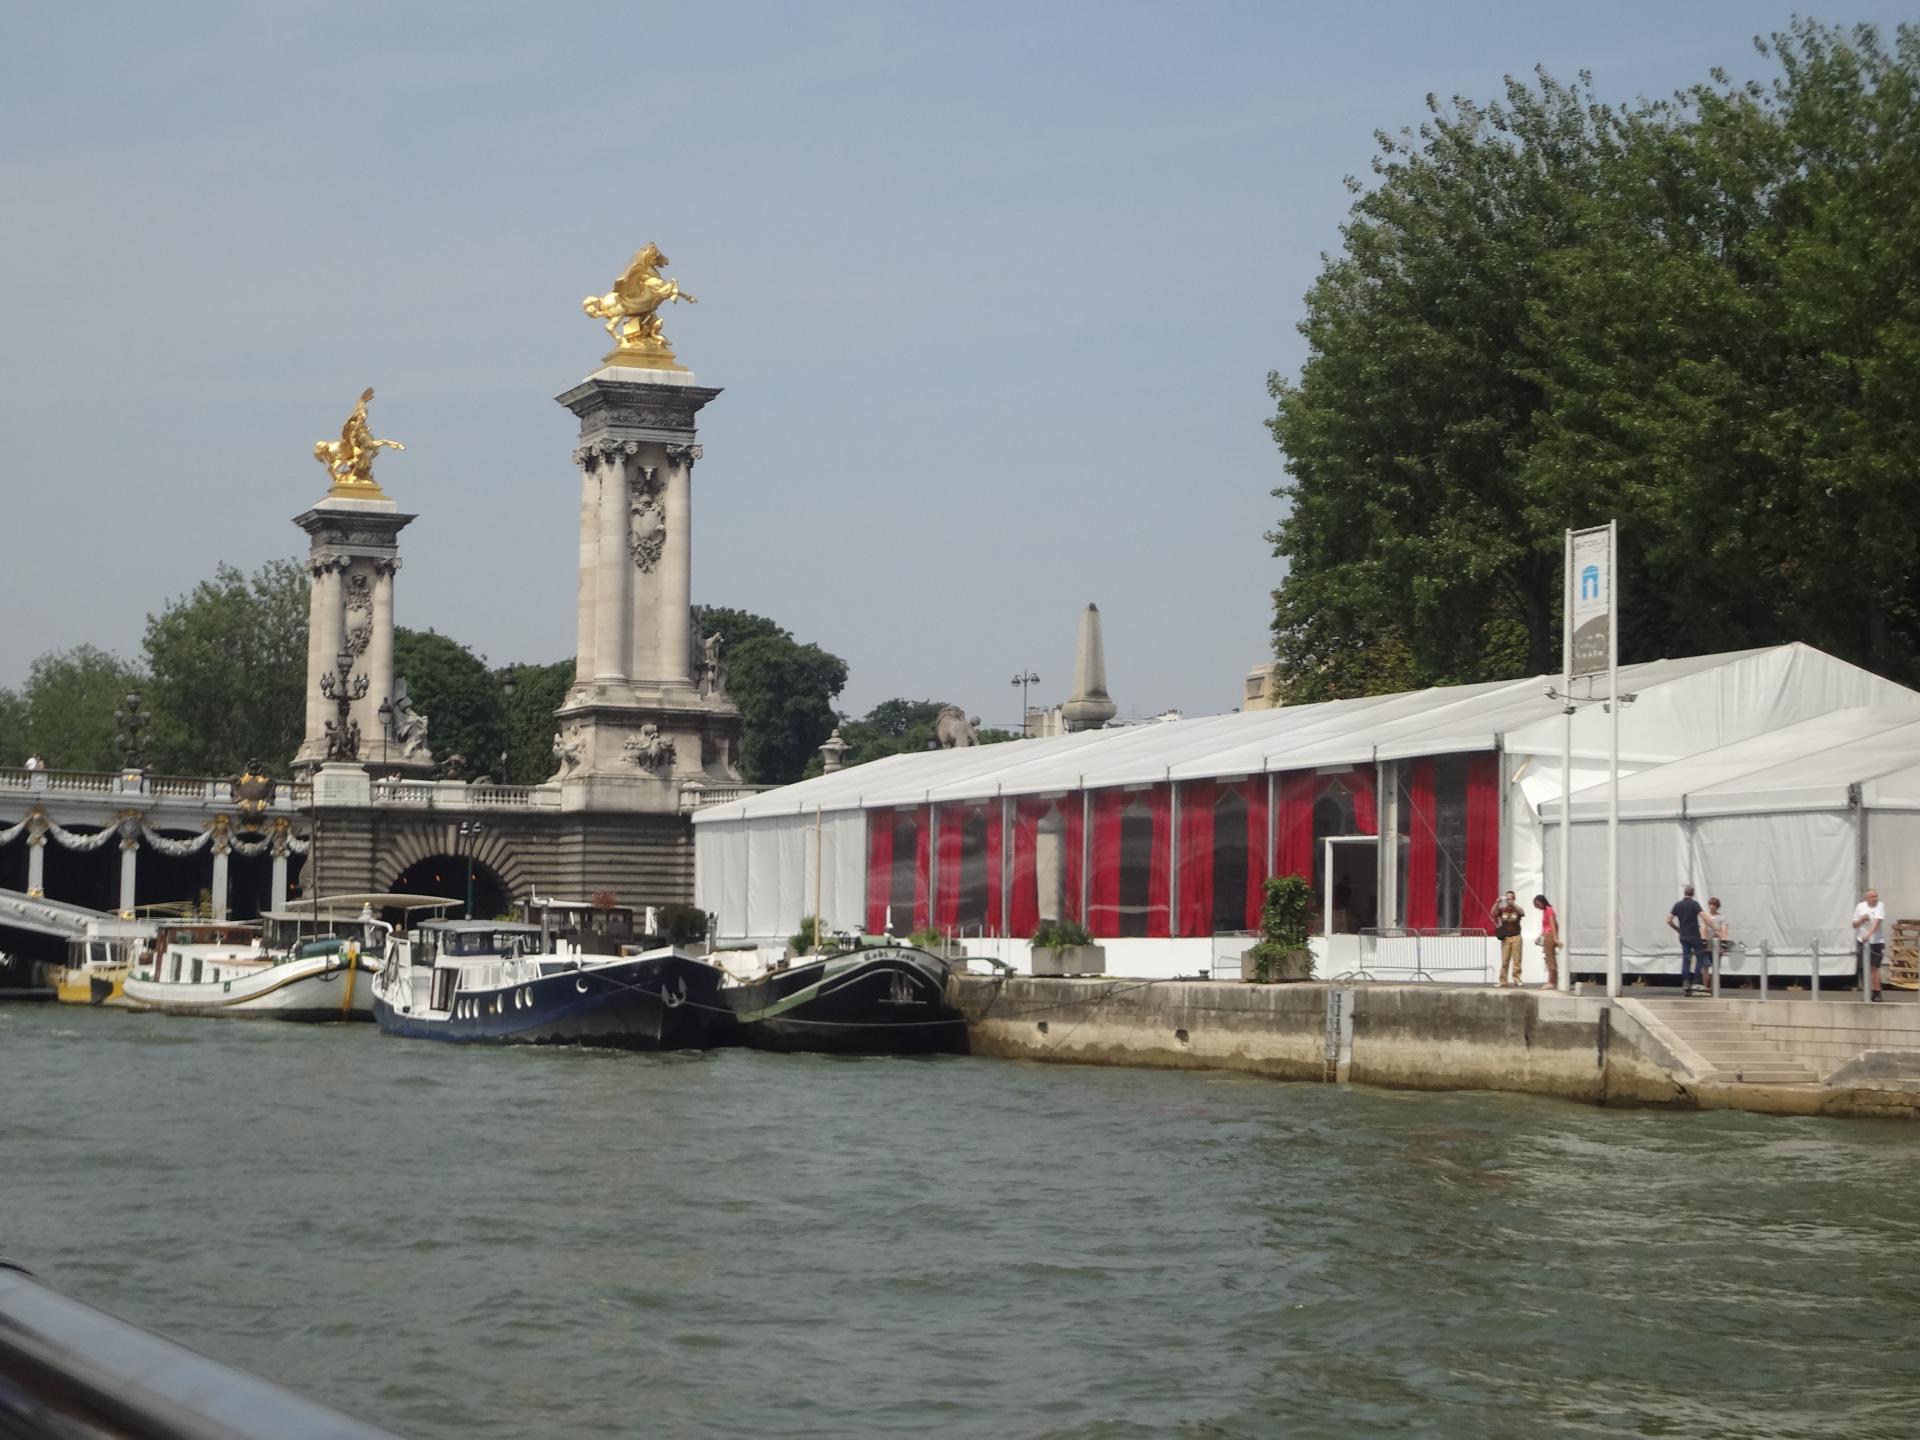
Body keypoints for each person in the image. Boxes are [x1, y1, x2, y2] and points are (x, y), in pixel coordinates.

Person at [1668, 885, 1708, 995]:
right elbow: (1704, 917)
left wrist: (1677, 929)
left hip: (1683, 935)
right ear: (1693, 893)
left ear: (1684, 893)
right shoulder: (1695, 904)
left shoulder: (1678, 905)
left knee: (1686, 958)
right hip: (1694, 935)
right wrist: (1713, 926)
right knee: (1700, 957)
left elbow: (1668, 920)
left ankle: (1685, 981)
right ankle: (1696, 981)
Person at [1854, 887, 1887, 1003]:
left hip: (1876, 941)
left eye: (1876, 896)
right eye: (1873, 896)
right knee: (1863, 967)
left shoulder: (1880, 905)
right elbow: (1854, 924)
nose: (1875, 898)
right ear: (1867, 898)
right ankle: (1867, 991)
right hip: (1862, 941)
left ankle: (1877, 992)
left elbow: (1877, 922)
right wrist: (1861, 920)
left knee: (1874, 967)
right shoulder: (1860, 907)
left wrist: (1869, 934)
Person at [1492, 891, 1526, 986]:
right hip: (1506, 938)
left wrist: (1514, 904)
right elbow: (1493, 912)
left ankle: (1517, 979)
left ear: (1514, 899)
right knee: (1505, 960)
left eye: (1510, 898)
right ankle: (1503, 981)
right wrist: (1497, 902)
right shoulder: (1503, 910)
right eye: (1507, 899)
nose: (1508, 900)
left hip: (1516, 937)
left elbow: (1522, 912)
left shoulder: (1517, 910)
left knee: (1517, 960)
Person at [1533, 894, 1559, 989]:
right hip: (1547, 935)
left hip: (1550, 936)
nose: (1537, 907)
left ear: (1541, 901)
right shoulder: (1546, 910)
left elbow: (1553, 924)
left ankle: (1550, 981)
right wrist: (1539, 937)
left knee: (1549, 959)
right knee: (1549, 959)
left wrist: (1555, 938)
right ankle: (1554, 981)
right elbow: (1546, 927)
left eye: (1537, 904)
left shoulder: (1548, 910)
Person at [1703, 897, 1729, 991]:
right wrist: (1703, 941)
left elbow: (1724, 930)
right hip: (1707, 944)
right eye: (1710, 904)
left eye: (1714, 904)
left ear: (1717, 906)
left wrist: (1724, 943)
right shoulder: (1705, 916)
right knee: (1705, 965)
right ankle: (1706, 986)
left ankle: (1714, 987)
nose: (1711, 906)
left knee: (1716, 966)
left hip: (1717, 944)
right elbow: (1703, 928)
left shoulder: (1722, 917)